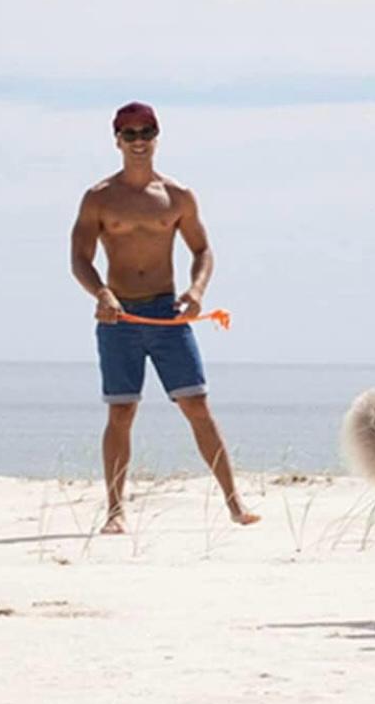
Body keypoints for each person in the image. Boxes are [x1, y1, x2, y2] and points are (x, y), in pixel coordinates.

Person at [70, 102, 259, 533]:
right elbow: (79, 257)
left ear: (157, 137)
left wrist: (196, 291)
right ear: (117, 140)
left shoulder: (177, 196)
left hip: (166, 313)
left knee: (197, 406)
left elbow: (203, 250)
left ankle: (235, 503)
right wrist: (100, 292)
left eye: (146, 132)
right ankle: (116, 511)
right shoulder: (99, 197)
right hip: (118, 319)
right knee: (121, 412)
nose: (139, 141)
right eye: (130, 134)